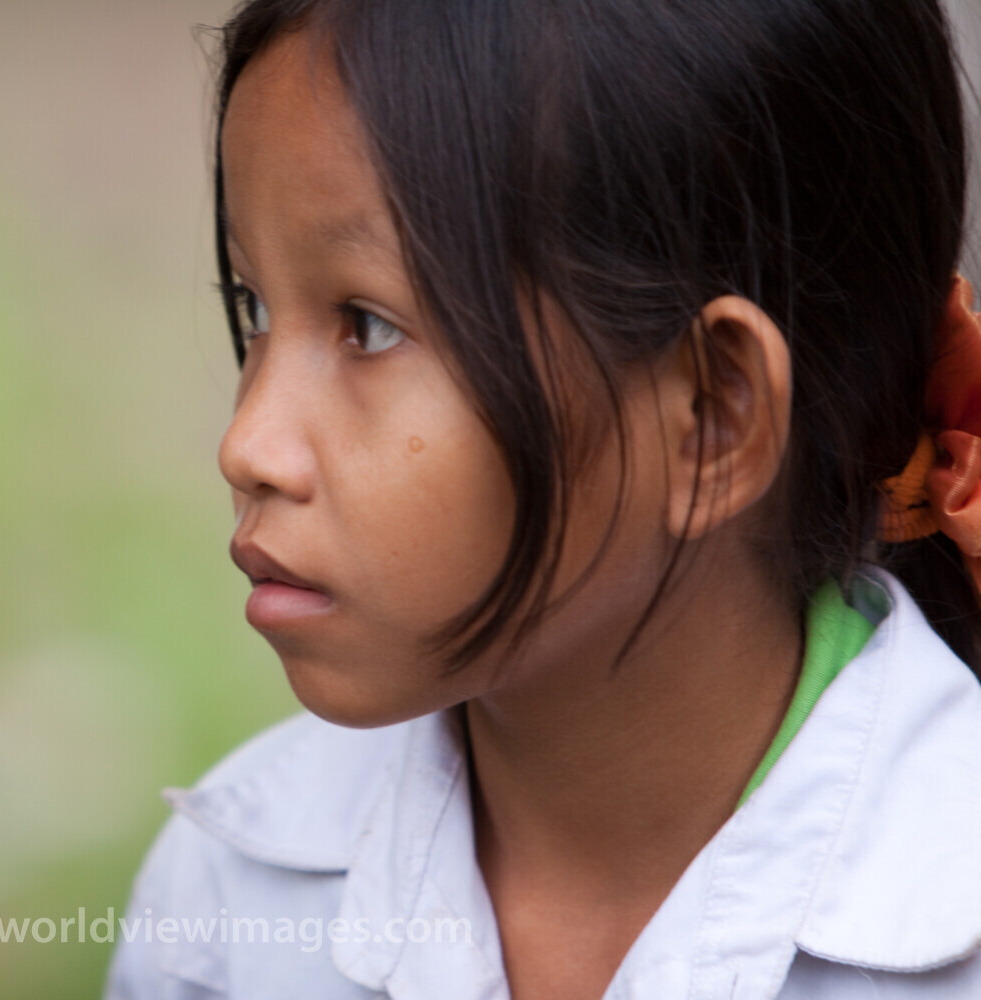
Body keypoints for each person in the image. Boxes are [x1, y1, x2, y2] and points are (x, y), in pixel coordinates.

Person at [106, 0, 981, 996]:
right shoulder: (228, 895)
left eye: (369, 325)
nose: (247, 444)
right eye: (253, 308)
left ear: (711, 415)